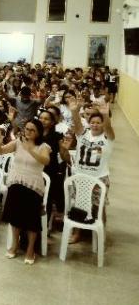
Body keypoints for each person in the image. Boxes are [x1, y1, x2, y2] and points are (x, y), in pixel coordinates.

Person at [0, 119, 51, 265]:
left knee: (31, 221)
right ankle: (14, 245)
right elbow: (0, 151)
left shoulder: (43, 146)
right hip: (16, 183)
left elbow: (45, 161)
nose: (28, 132)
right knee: (15, 218)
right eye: (27, 129)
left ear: (38, 132)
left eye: (32, 130)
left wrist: (31, 149)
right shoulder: (18, 142)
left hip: (33, 187)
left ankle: (30, 249)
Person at [67, 97, 115, 243]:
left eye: (98, 122)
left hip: (99, 178)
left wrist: (106, 115)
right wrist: (75, 111)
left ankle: (101, 233)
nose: (95, 125)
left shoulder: (107, 137)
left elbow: (109, 129)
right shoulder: (83, 134)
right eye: (92, 122)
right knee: (78, 204)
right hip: (81, 176)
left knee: (99, 207)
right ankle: (77, 233)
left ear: (103, 124)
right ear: (89, 123)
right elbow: (76, 123)